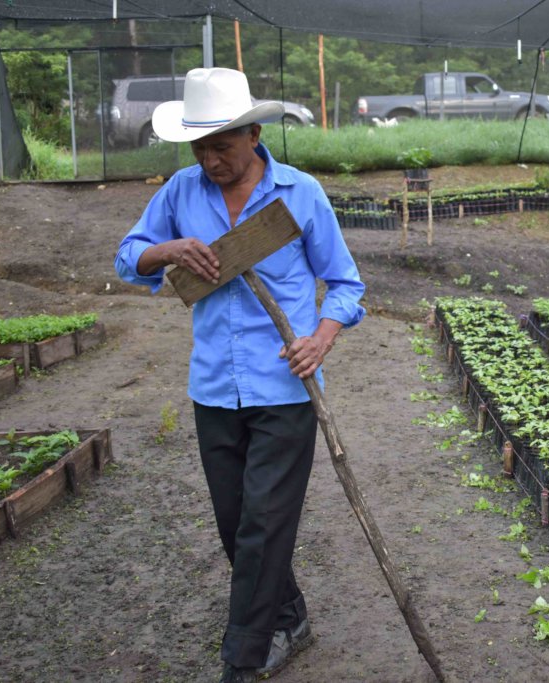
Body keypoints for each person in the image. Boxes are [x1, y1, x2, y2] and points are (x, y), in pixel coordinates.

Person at [114, 68, 366, 683]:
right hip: (213, 389)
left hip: (285, 388)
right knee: (236, 524)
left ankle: (243, 657)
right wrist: (169, 251)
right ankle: (290, 615)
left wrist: (321, 338)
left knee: (264, 522)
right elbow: (128, 258)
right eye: (200, 146)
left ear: (254, 135)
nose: (209, 158)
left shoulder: (300, 193)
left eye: (221, 145)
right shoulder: (180, 190)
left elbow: (347, 284)